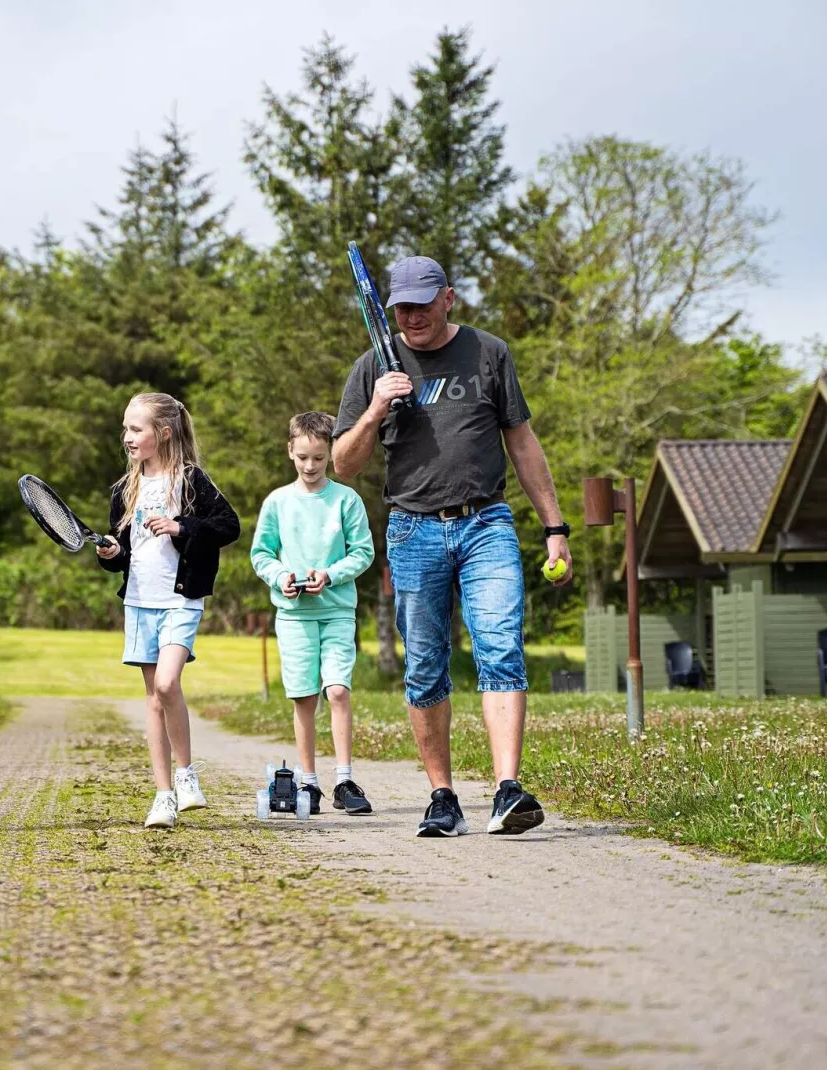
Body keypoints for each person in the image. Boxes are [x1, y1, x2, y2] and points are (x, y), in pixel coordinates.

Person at [332, 255, 573, 838]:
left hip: (485, 522)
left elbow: (522, 441)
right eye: (402, 307)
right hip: (413, 530)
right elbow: (343, 464)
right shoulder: (373, 366)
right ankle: (442, 797)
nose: (411, 316)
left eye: (422, 303)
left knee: (500, 647)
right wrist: (375, 410)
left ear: (449, 298)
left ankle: (507, 791)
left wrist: (555, 527)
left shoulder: (489, 353)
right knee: (424, 667)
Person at [96, 392, 240, 829]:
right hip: (140, 602)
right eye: (125, 428)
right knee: (153, 698)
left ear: (163, 433)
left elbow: (228, 526)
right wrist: (111, 552)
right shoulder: (125, 489)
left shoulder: (192, 481)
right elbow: (124, 550)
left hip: (180, 598)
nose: (127, 437)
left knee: (167, 681)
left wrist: (182, 528)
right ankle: (163, 796)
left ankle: (186, 774)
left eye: (135, 429)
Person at [249, 411, 375, 815]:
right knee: (304, 696)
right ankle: (309, 781)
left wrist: (330, 575)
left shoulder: (345, 500)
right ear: (290, 451)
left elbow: (363, 552)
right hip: (294, 616)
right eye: (303, 457)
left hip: (337, 611)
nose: (309, 466)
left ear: (329, 454)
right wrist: (280, 577)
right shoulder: (277, 502)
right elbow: (261, 554)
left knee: (337, 690)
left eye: (318, 458)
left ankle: (344, 779)